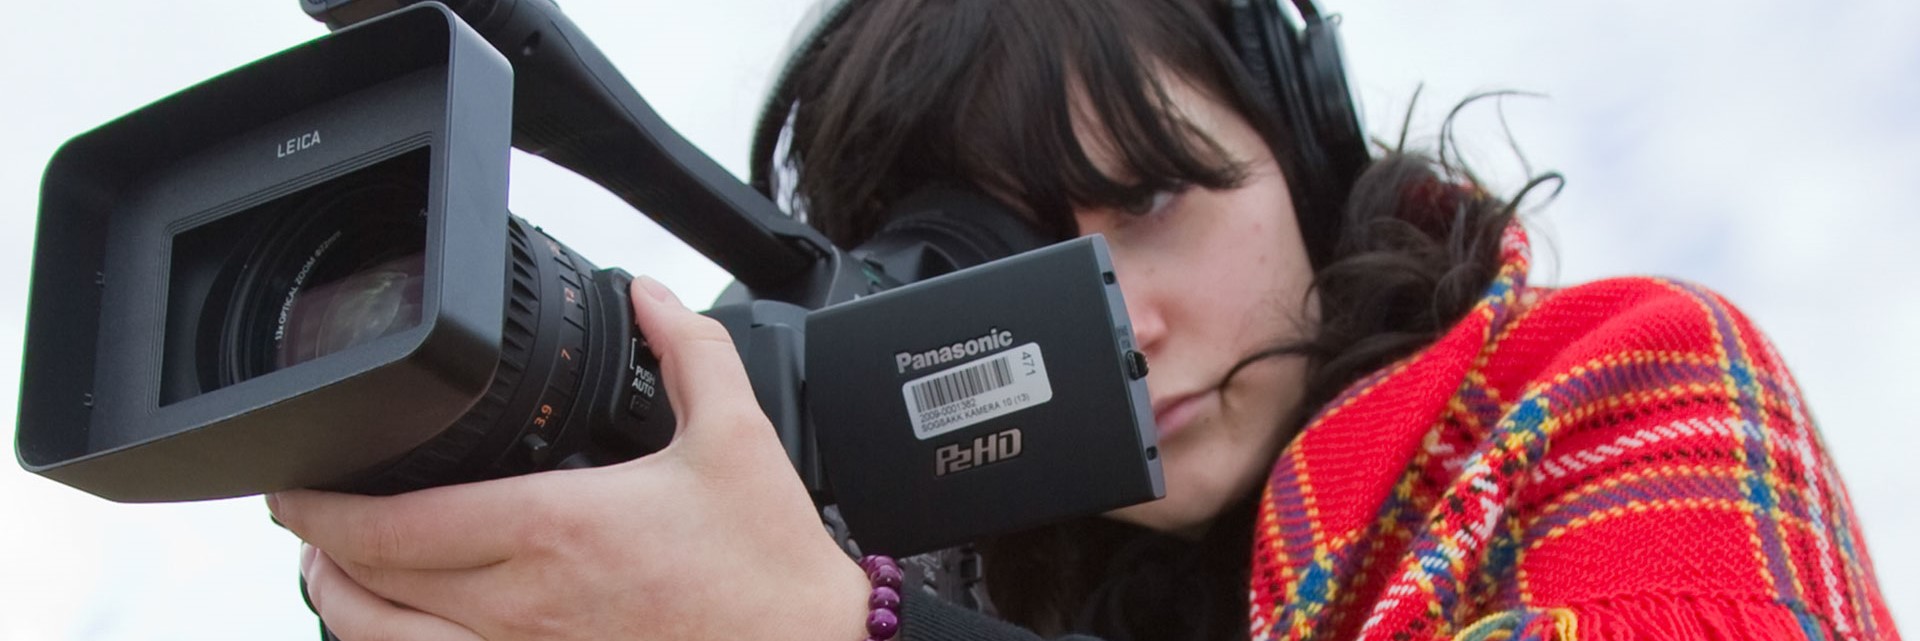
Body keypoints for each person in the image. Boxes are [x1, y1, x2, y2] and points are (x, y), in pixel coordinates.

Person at [270, 1, 1903, 640]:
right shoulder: (919, 570)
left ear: (1303, 163)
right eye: (1003, 272)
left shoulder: (1616, 383)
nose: (1120, 317)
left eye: (1156, 197)